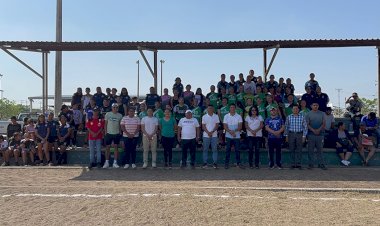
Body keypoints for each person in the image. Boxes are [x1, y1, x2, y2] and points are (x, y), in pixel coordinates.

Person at [305, 102, 327, 170]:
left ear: (318, 106)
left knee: (320, 150)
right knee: (310, 150)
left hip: (320, 134)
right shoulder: (308, 114)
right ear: (311, 106)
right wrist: (314, 130)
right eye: (314, 105)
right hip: (311, 134)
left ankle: (321, 164)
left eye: (317, 105)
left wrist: (318, 130)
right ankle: (311, 164)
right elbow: (307, 124)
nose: (315, 106)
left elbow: (324, 123)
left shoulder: (322, 113)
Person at [223, 104, 244, 169]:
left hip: (236, 136)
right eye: (231, 107)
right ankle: (226, 164)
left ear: (235, 108)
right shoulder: (226, 116)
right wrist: (231, 132)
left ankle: (238, 163)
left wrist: (233, 132)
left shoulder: (239, 116)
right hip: (228, 136)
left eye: (233, 107)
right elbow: (225, 126)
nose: (232, 108)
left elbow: (240, 127)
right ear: (229, 108)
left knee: (237, 150)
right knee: (228, 150)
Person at [103, 103, 123, 169]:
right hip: (108, 133)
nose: (115, 108)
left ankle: (115, 162)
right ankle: (107, 162)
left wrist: (120, 132)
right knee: (107, 148)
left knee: (116, 148)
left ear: (118, 108)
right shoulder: (108, 114)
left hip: (117, 133)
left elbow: (120, 125)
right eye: (114, 107)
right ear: (112, 108)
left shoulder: (120, 115)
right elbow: (105, 124)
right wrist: (105, 132)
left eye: (116, 107)